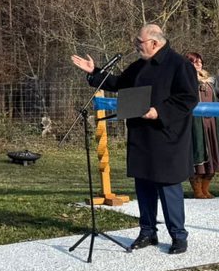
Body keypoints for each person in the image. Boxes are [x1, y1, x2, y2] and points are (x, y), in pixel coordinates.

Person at [72, 24, 198, 254]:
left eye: (139, 42)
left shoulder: (179, 65)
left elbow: (188, 98)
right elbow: (119, 83)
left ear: (155, 43)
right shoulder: (139, 66)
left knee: (168, 187)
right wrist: (94, 72)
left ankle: (178, 236)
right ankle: (147, 231)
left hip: (167, 136)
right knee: (144, 185)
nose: (135, 45)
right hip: (141, 136)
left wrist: (158, 112)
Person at [185, 53, 219, 200]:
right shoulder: (184, 79)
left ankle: (206, 189)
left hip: (212, 122)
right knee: (199, 152)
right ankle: (197, 190)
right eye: (194, 62)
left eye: (199, 61)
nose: (198, 64)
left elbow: (218, 98)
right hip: (196, 123)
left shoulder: (210, 81)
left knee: (213, 153)